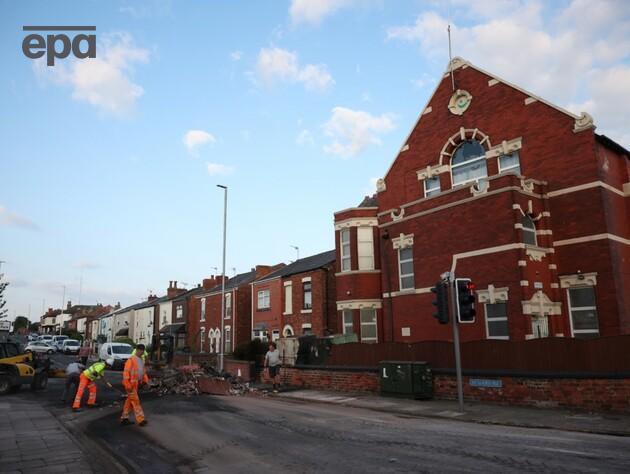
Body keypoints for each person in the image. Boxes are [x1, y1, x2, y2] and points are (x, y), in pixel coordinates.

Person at [121, 343, 149, 426]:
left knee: (129, 402)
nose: (142, 352)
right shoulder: (131, 360)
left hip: (135, 384)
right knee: (136, 401)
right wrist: (127, 384)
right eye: (141, 351)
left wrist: (145, 381)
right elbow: (126, 373)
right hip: (130, 385)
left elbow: (143, 372)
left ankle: (124, 418)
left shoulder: (141, 360)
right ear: (137, 350)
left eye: (143, 351)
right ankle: (141, 420)